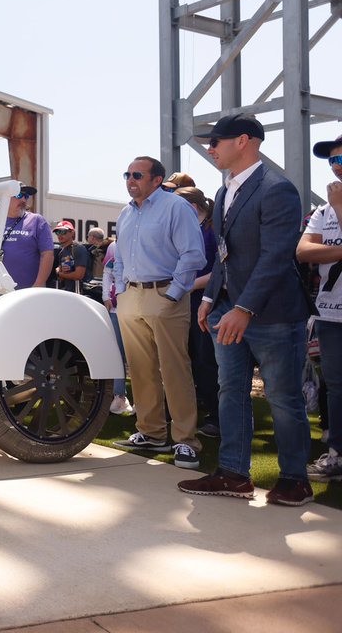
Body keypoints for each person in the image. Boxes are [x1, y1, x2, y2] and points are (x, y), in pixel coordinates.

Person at [179, 112, 314, 506]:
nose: (210, 149)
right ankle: (234, 474)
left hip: (273, 315)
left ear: (243, 141)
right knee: (231, 392)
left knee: (283, 398)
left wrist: (244, 308)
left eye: (215, 141)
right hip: (227, 310)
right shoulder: (224, 192)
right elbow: (224, 255)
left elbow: (276, 256)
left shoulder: (277, 189)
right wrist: (210, 299)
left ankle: (296, 480)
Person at [110, 156, 205, 469]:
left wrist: (173, 294)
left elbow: (193, 255)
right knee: (140, 369)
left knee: (175, 369)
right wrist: (122, 290)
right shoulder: (126, 213)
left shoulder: (176, 207)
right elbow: (120, 257)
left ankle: (185, 440)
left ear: (156, 179)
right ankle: (151, 433)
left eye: (137, 175)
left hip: (165, 295)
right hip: (131, 296)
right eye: (127, 174)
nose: (130, 180)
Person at [295, 132, 342, 482]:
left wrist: (339, 208)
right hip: (330, 312)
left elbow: (317, 250)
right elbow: (303, 251)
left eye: (341, 159)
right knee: (336, 386)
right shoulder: (323, 211)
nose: (336, 166)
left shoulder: (332, 207)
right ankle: (337, 453)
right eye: (332, 160)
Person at [175, 185, 221, 438]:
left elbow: (220, 270)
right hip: (188, 303)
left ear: (192, 207)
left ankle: (217, 418)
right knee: (192, 360)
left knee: (207, 362)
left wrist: (188, 285)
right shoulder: (193, 229)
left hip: (207, 303)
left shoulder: (212, 230)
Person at [0, 185, 53, 290]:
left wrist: (38, 285)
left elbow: (47, 254)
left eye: (26, 196)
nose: (23, 200)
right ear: (5, 197)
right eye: (19, 195)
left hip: (27, 292)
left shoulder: (37, 221)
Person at [100, 238, 134, 415]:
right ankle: (119, 396)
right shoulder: (114, 246)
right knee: (117, 353)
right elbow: (107, 272)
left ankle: (143, 400)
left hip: (137, 306)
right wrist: (106, 296)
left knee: (141, 355)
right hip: (116, 308)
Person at [52, 221, 89, 292]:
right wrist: (60, 270)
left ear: (72, 233)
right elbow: (61, 278)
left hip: (78, 292)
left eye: (63, 232)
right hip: (66, 291)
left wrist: (59, 273)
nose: (60, 235)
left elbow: (79, 275)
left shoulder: (78, 248)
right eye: (57, 232)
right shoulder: (62, 252)